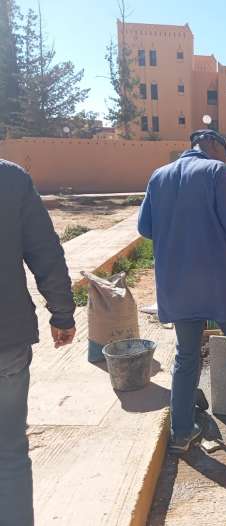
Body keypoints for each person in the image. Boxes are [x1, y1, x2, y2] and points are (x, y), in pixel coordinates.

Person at [138, 130, 226, 453]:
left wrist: (179, 232)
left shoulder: (158, 176)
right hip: (219, 283)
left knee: (186, 356)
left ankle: (181, 432)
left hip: (177, 284)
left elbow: (145, 228)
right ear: (214, 145)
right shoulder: (216, 171)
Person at [0, 160, 76, 526]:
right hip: (6, 340)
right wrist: (62, 314)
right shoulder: (10, 179)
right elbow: (45, 252)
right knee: (9, 454)